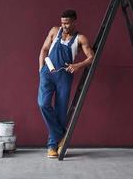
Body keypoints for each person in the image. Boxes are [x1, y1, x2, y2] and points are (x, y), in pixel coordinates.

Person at [38, 10, 94, 158]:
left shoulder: (80, 38)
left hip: (64, 77)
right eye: (62, 22)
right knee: (43, 104)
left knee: (61, 111)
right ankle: (61, 137)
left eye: (67, 23)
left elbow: (91, 58)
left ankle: (52, 146)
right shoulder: (54, 31)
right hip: (47, 74)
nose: (64, 26)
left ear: (74, 22)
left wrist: (77, 65)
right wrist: (40, 70)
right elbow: (44, 49)